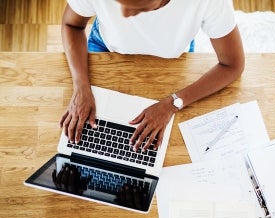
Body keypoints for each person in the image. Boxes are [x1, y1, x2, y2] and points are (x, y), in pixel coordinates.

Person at [60, 0, 245, 152]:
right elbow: (71, 25)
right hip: (105, 47)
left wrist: (172, 103)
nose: (124, 14)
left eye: (137, 7)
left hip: (173, 59)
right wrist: (81, 86)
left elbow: (232, 65)